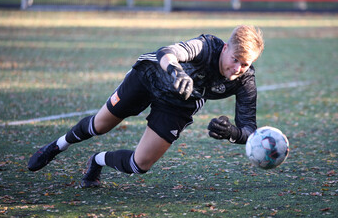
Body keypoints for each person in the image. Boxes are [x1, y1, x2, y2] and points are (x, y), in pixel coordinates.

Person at [28, 25, 264, 188]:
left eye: (245, 64)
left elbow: (250, 131)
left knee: (139, 166)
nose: (237, 69)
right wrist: (175, 71)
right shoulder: (207, 46)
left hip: (179, 104)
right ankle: (58, 146)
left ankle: (97, 160)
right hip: (149, 77)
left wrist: (233, 133)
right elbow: (168, 52)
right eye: (235, 59)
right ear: (225, 48)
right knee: (99, 126)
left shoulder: (246, 81)